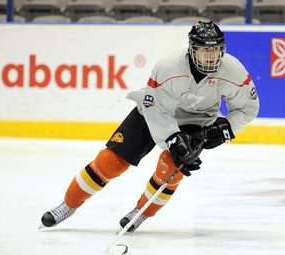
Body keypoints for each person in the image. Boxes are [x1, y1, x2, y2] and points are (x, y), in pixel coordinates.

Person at [41, 21, 259, 232]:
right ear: (192, 50)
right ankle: (67, 206)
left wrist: (225, 128)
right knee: (111, 161)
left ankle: (141, 212)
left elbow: (248, 108)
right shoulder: (168, 67)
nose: (211, 57)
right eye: (204, 51)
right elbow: (154, 107)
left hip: (198, 120)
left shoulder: (233, 71)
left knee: (170, 167)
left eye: (215, 51)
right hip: (155, 113)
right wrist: (173, 139)